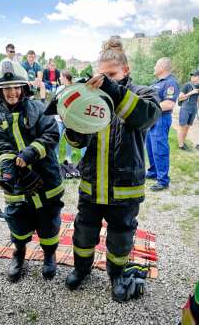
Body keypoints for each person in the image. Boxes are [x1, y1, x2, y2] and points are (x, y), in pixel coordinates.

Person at [56, 40, 161, 301]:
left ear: (125, 71)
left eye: (111, 75)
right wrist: (71, 123)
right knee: (83, 231)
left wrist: (111, 88)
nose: (105, 80)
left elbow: (145, 117)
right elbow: (77, 142)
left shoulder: (144, 93)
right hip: (91, 184)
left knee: (121, 237)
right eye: (102, 75)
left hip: (125, 187)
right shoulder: (90, 96)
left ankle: (116, 275)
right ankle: (82, 269)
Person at [0, 61, 64, 282]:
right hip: (18, 186)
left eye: (16, 86)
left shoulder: (40, 109)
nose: (12, 91)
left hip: (46, 180)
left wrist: (28, 154)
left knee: (49, 221)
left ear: (24, 88)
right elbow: (3, 148)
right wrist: (9, 173)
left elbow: (51, 136)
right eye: (7, 87)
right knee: (17, 221)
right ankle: (19, 254)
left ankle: (49, 256)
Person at [146, 57, 179, 191]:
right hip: (153, 119)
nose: (154, 67)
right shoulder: (157, 82)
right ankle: (153, 172)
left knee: (160, 149)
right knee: (150, 148)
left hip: (161, 119)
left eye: (156, 65)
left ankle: (163, 180)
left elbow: (169, 103)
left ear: (162, 68)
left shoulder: (170, 83)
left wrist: (150, 108)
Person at [177, 70, 199, 151]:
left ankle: (182, 143)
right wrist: (191, 92)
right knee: (182, 126)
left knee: (187, 127)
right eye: (192, 75)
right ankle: (180, 145)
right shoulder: (187, 85)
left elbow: (197, 101)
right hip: (185, 108)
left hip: (193, 109)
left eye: (195, 75)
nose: (193, 77)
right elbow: (180, 98)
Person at [55, 70, 73, 162]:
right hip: (59, 118)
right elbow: (56, 102)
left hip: (69, 118)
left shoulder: (73, 88)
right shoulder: (59, 89)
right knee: (57, 136)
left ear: (65, 78)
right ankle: (56, 155)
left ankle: (68, 157)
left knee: (69, 137)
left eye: (61, 76)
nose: (59, 78)